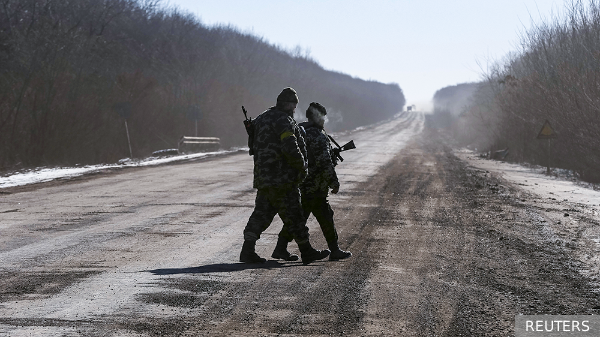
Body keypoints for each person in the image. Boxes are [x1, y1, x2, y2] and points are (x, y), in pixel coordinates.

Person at [240, 88, 330, 264]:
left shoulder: (262, 117)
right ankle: (306, 251)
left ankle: (247, 250)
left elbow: (252, 147)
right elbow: (290, 146)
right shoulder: (283, 120)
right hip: (283, 178)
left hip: (264, 177)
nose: (295, 109)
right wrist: (302, 166)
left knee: (261, 214)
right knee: (295, 214)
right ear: (289, 104)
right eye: (294, 105)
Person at [272, 102, 352, 261]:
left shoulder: (301, 131)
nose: (324, 120)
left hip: (301, 184)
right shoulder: (318, 135)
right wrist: (333, 182)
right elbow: (324, 162)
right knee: (325, 216)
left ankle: (280, 248)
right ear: (317, 117)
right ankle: (334, 250)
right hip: (315, 186)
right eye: (322, 117)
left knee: (298, 218)